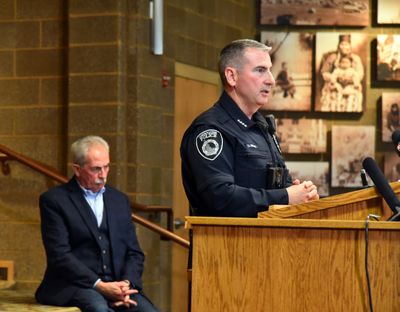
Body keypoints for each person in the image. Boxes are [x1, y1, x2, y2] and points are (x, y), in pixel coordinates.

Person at [180, 39, 319, 217]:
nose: (271, 80)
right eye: (260, 70)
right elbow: (219, 198)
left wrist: (299, 192)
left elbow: (276, 183)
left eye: (270, 70)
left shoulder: (262, 127)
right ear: (232, 76)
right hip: (224, 242)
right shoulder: (210, 129)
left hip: (267, 240)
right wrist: (285, 197)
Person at [35, 136, 159, 312]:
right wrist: (100, 285)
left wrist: (125, 284)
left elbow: (134, 252)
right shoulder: (54, 200)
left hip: (118, 284)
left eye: (106, 167)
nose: (103, 175)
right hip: (73, 284)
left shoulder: (119, 200)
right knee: (99, 308)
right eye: (96, 169)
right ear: (77, 170)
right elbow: (59, 255)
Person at [319, 34, 364, 112]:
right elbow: (324, 73)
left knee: (353, 98)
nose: (344, 47)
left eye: (346, 45)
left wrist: (351, 78)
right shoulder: (332, 57)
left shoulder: (355, 58)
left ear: (350, 46)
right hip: (335, 85)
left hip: (351, 85)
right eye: (342, 44)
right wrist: (335, 78)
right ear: (339, 45)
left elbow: (360, 73)